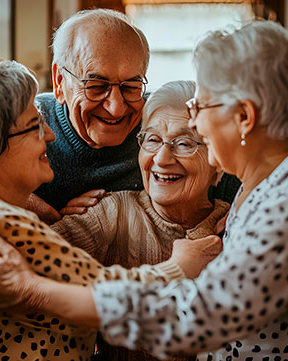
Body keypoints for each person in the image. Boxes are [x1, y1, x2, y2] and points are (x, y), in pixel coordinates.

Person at [0, 21, 288, 361]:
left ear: (244, 117)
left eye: (199, 112)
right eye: (97, 86)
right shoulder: (271, 177)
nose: (194, 125)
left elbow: (190, 321)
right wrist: (24, 207)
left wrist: (34, 290)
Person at [0, 56, 222, 360]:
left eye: (185, 143)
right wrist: (179, 267)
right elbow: (105, 298)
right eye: (34, 125)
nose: (51, 135)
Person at [0, 8, 241, 240]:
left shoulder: (161, 121)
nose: (116, 106)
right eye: (95, 85)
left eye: (131, 85)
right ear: (59, 82)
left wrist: (244, 207)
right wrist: (19, 203)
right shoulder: (25, 127)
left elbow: (238, 174)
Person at [49, 80, 229, 361]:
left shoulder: (237, 224)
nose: (162, 157)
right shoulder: (112, 214)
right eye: (152, 139)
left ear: (217, 158)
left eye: (184, 143)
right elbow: (33, 260)